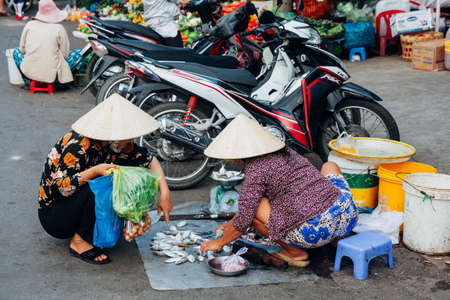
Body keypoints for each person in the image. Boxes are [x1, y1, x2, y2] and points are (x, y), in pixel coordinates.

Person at [200, 114, 358, 267]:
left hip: (314, 233)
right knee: (329, 166)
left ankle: (296, 252)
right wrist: (229, 224)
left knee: (255, 210)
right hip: (347, 216)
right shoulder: (287, 151)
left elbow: (245, 218)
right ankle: (337, 238)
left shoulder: (255, 171)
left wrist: (219, 243)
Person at [38, 94, 172, 265]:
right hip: (56, 215)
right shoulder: (78, 145)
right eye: (128, 136)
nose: (131, 140)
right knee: (101, 183)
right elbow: (62, 189)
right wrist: (95, 171)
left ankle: (92, 230)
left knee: (118, 178)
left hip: (76, 203)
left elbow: (149, 160)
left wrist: (164, 193)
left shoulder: (118, 144)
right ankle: (79, 242)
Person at [13, 0, 82, 84]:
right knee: (80, 53)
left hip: (29, 72)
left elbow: (22, 49)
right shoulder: (59, 28)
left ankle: (27, 79)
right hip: (53, 74)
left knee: (16, 51)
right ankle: (60, 81)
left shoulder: (29, 25)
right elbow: (65, 54)